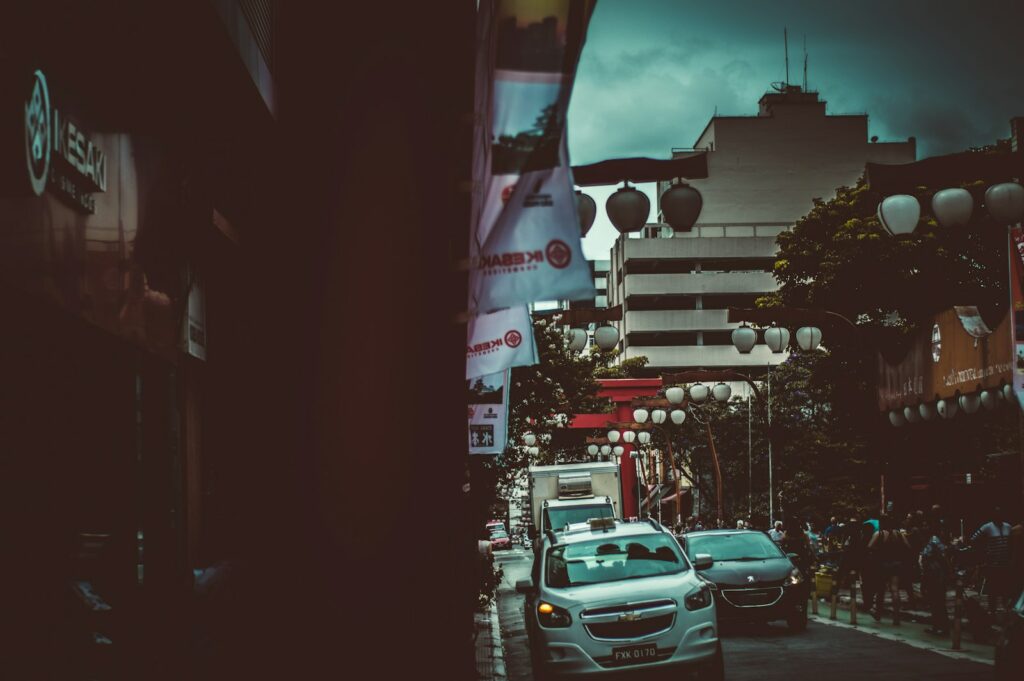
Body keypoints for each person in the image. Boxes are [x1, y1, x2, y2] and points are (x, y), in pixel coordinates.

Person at [869, 514, 911, 624]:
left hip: (882, 564)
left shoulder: (879, 534)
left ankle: (877, 613)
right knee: (894, 589)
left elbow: (869, 547)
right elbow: (908, 546)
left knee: (880, 589)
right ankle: (896, 616)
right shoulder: (898, 534)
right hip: (896, 564)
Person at [971, 507, 1014, 613]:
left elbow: (1012, 544)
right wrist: (984, 554)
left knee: (1006, 589)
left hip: (1005, 564)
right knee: (993, 589)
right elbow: (974, 539)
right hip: (992, 564)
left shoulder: (1008, 527)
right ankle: (992, 611)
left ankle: (1006, 611)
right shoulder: (987, 527)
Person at [919, 518, 951, 635]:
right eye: (922, 525)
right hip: (930, 573)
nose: (924, 527)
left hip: (936, 574)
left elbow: (943, 556)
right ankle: (937, 625)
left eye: (926, 525)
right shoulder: (927, 540)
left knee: (938, 601)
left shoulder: (934, 540)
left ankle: (942, 626)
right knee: (933, 600)